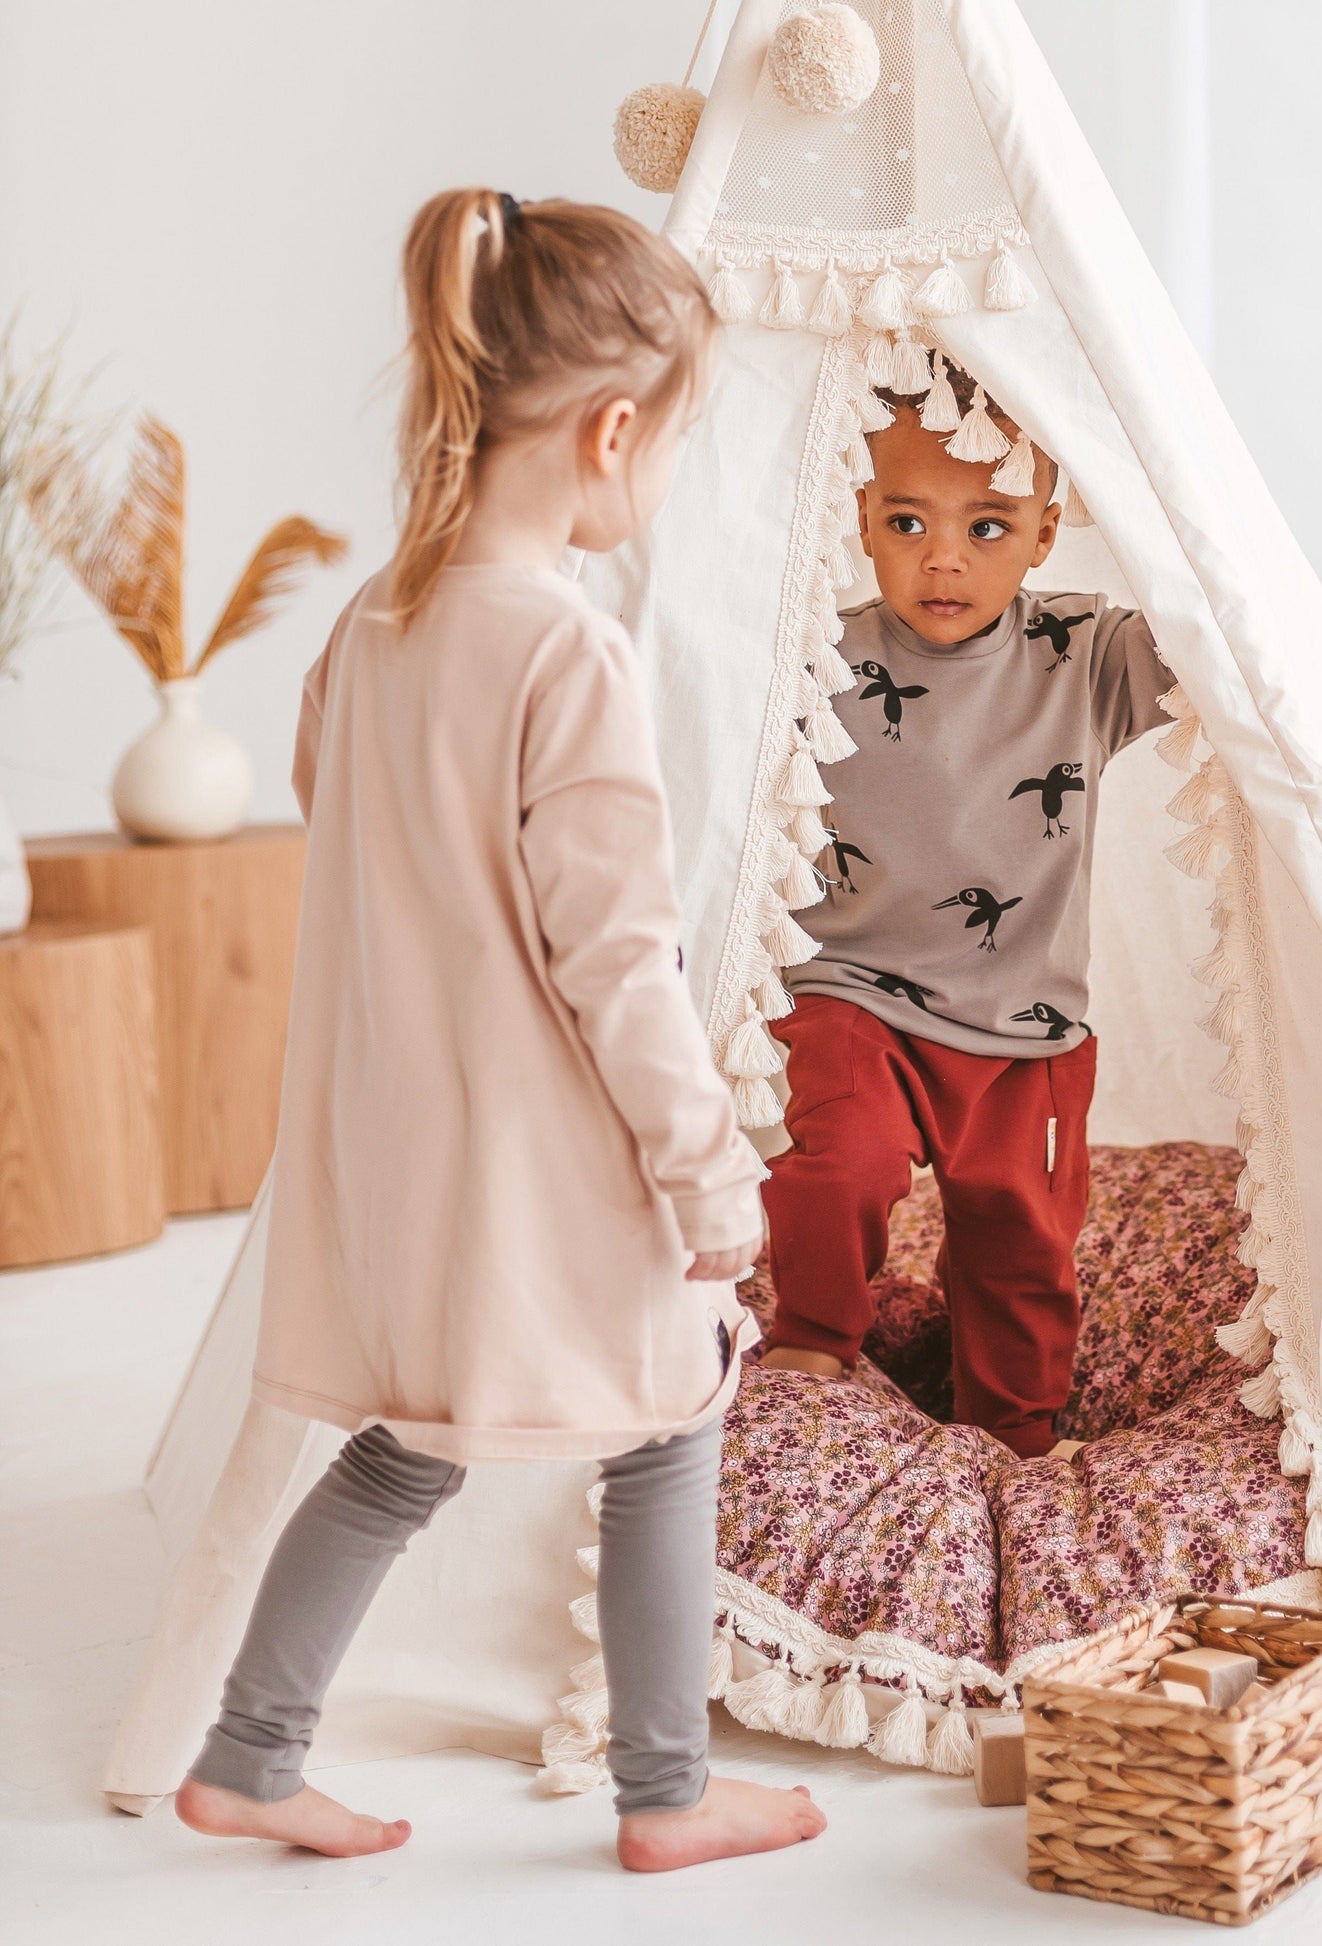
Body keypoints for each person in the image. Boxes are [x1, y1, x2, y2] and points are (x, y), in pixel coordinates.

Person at [172, 188, 825, 1872]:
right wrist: (708, 1176)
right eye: (678, 443)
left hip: (394, 1139)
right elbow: (624, 964)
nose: (667, 476)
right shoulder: (570, 657)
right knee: (677, 1412)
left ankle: (251, 1751)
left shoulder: (371, 633)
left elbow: (347, 827)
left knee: (410, 1441)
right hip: (539, 1156)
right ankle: (667, 1793)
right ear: (614, 432)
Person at [760, 358, 1172, 1457]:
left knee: (1020, 1240)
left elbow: (1214, 636)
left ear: (1045, 533)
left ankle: (1012, 1429)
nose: (942, 556)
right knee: (833, 1162)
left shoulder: (1085, 656)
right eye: (907, 519)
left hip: (1023, 1024)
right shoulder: (818, 661)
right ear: (860, 518)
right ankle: (808, 1345)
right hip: (853, 992)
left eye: (988, 527)